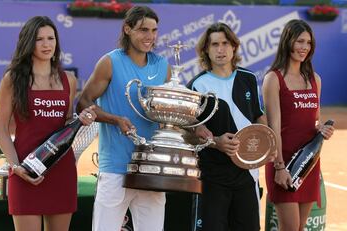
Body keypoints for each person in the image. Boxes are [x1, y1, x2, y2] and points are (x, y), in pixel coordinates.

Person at [0, 16, 96, 231]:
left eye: (51, 38)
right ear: (28, 42)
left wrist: (82, 120)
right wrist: (16, 167)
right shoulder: (12, 79)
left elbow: (66, 123)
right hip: (25, 168)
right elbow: (1, 129)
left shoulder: (68, 79)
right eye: (39, 39)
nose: (46, 44)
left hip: (61, 171)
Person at [77, 6, 171, 231]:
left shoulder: (163, 66)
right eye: (143, 30)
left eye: (154, 30)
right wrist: (114, 119)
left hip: (152, 169)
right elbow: (83, 101)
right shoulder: (110, 62)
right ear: (127, 29)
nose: (150, 36)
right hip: (115, 168)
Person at [187, 22, 265, 231]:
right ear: (206, 50)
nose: (220, 49)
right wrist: (216, 143)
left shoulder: (248, 79)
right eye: (214, 44)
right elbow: (188, 134)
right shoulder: (197, 86)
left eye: (225, 43)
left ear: (233, 47)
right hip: (213, 176)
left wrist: (267, 145)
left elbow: (258, 117)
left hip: (247, 175)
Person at [262, 19, 334, 231]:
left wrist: (322, 129)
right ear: (287, 42)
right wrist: (279, 166)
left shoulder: (315, 79)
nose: (304, 47)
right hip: (283, 163)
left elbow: (314, 120)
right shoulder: (273, 79)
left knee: (300, 228)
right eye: (299, 41)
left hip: (307, 163)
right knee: (290, 228)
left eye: (308, 43)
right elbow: (273, 127)